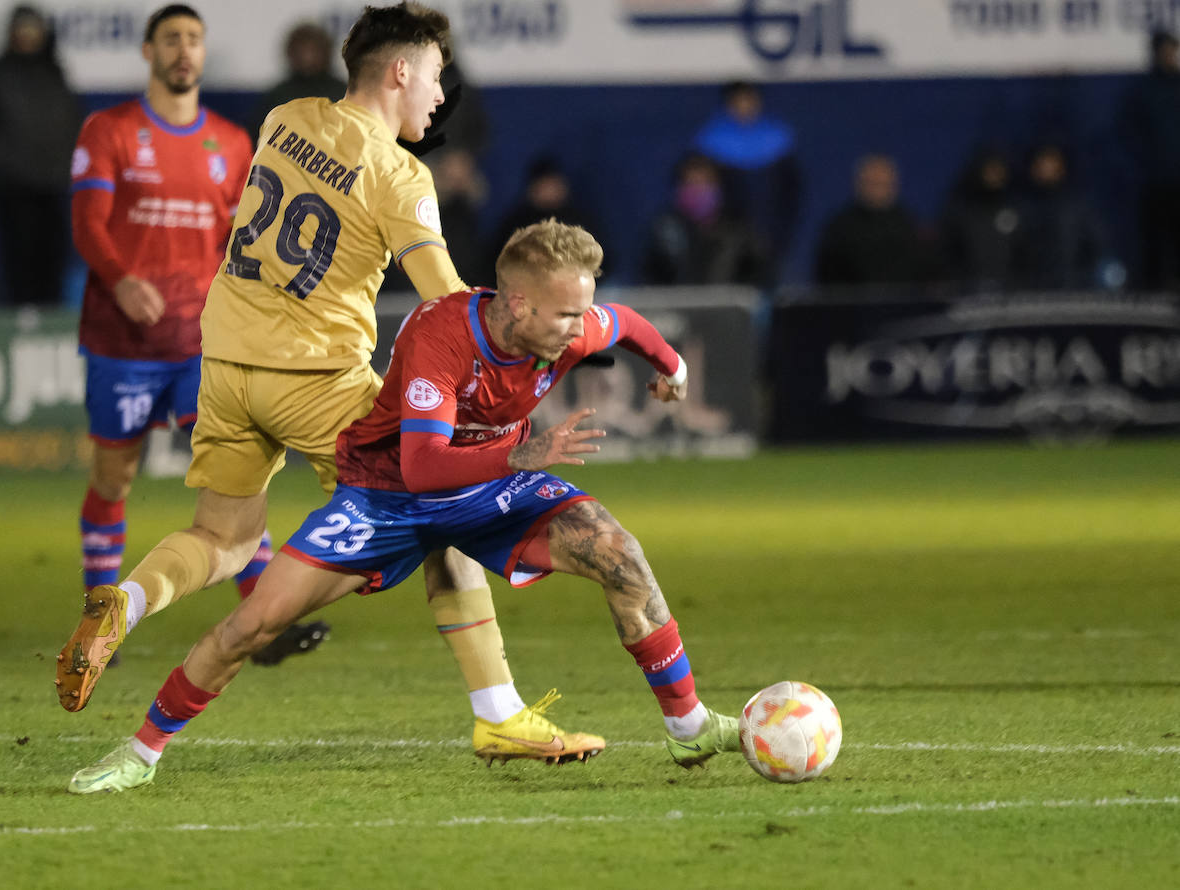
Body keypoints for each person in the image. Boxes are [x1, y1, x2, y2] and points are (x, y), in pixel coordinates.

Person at [55, 2, 601, 763]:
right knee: (440, 502)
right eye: (437, 78)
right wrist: (524, 329)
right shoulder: (399, 175)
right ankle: (500, 712)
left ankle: (128, 598)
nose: (440, 98)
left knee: (223, 535)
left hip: (225, 360)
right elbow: (447, 304)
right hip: (314, 376)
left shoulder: (286, 118)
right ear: (401, 71)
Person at [66, 219, 741, 793]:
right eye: (566, 314)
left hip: (491, 486)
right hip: (389, 494)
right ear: (516, 304)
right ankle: (141, 751)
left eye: (580, 311)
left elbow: (624, 324)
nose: (578, 328)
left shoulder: (569, 324)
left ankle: (688, 726)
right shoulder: (440, 339)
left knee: (619, 553)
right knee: (253, 625)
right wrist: (519, 456)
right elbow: (423, 467)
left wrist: (672, 370)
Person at [62, 4, 316, 687]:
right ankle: (97, 612)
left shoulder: (233, 144)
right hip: (123, 341)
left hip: (203, 343)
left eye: (193, 40)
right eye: (171, 38)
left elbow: (248, 242)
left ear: (203, 55)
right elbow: (88, 225)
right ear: (148, 51)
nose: (183, 50)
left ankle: (262, 620)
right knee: (115, 477)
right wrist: (120, 282)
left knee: (237, 475)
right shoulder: (109, 131)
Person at [0, 5, 83, 305]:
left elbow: (71, 121)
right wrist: (8, 164)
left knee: (53, 255)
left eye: (34, 30)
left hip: (53, 183)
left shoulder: (55, 73)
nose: (29, 37)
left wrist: (66, 162)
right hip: (13, 187)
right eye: (23, 30)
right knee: (20, 257)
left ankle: (50, 318)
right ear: (11, 34)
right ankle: (21, 320)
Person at [691, 80, 802, 273]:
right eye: (737, 101)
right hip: (724, 235)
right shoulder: (710, 142)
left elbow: (790, 193)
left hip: (770, 233)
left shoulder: (778, 140)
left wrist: (778, 230)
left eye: (749, 99)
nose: (744, 106)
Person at [642, 152, 771, 286]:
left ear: (720, 189)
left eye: (704, 184)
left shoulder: (742, 235)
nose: (697, 191)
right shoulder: (663, 234)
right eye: (690, 184)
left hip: (728, 306)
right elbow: (647, 285)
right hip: (670, 306)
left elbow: (759, 286)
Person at [814, 154, 930, 294]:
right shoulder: (839, 228)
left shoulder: (911, 226)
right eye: (871, 183)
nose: (877, 189)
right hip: (851, 309)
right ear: (858, 184)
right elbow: (827, 278)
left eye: (883, 183)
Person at [1121, 30, 1180, 290]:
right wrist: (1144, 167)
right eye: (1166, 49)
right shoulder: (1142, 91)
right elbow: (1128, 135)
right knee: (1153, 246)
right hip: (1154, 183)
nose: (1170, 55)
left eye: (1173, 49)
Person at [1013, 143, 1111, 291]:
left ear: (1062, 167)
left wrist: (1081, 276)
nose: (1046, 170)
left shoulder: (1078, 205)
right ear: (1031, 168)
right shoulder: (1019, 206)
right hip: (1029, 292)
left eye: (1051, 164)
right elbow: (1010, 251)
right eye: (1041, 165)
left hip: (1071, 290)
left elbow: (1098, 245)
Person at [242, 22, 347, 143]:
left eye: (313, 49)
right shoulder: (277, 96)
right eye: (301, 50)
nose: (307, 56)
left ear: (327, 52)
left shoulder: (345, 94)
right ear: (289, 53)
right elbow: (257, 141)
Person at [938, 147, 1018, 295]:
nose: (995, 174)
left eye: (999, 169)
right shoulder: (960, 211)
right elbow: (948, 255)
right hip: (967, 297)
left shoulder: (1015, 209)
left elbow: (1023, 256)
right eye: (990, 169)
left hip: (1009, 297)